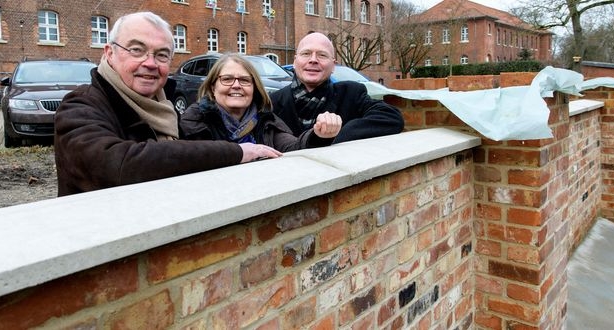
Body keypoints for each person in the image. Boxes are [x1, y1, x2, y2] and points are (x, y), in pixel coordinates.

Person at [54, 12, 280, 196]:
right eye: (137, 50)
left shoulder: (164, 108)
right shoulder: (81, 105)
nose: (150, 63)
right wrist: (236, 152)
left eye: (162, 55)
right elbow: (115, 165)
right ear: (109, 53)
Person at [180, 54, 342, 151]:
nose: (236, 85)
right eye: (227, 79)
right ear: (213, 86)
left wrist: (318, 135)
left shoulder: (266, 121)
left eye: (244, 80)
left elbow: (293, 147)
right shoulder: (195, 120)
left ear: (254, 88)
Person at [270, 32, 404, 145]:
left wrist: (341, 133)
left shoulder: (351, 94)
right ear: (295, 61)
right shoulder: (272, 102)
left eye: (322, 55)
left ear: (333, 65)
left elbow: (392, 118)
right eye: (306, 53)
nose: (313, 60)